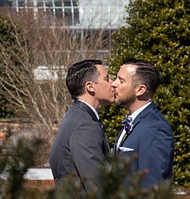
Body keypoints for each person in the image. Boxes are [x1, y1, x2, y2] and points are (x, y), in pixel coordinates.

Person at [49, 59, 115, 192]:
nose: (113, 83)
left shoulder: (76, 115)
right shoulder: (85, 126)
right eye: (107, 79)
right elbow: (97, 187)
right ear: (90, 87)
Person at [111, 58, 174, 189]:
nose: (113, 84)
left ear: (140, 90)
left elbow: (150, 185)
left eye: (121, 80)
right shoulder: (135, 121)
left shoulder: (155, 128)